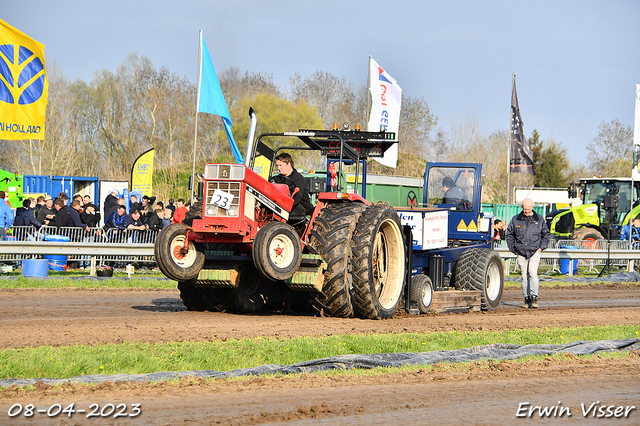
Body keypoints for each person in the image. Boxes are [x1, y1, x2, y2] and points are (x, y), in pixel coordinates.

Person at [506, 198, 551, 309]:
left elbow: (546, 234)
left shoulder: (539, 220)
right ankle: (527, 298)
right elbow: (509, 235)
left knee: (532, 273)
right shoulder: (515, 219)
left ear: (532, 207)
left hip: (535, 250)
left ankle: (534, 297)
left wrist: (541, 247)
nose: (526, 211)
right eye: (524, 209)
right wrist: (513, 249)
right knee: (524, 276)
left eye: (528, 209)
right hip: (521, 251)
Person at [272, 152, 313, 218]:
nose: (278, 168)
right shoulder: (278, 178)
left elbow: (296, 199)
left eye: (280, 165)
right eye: (277, 166)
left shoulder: (298, 179)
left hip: (300, 209)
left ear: (288, 164)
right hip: (282, 207)